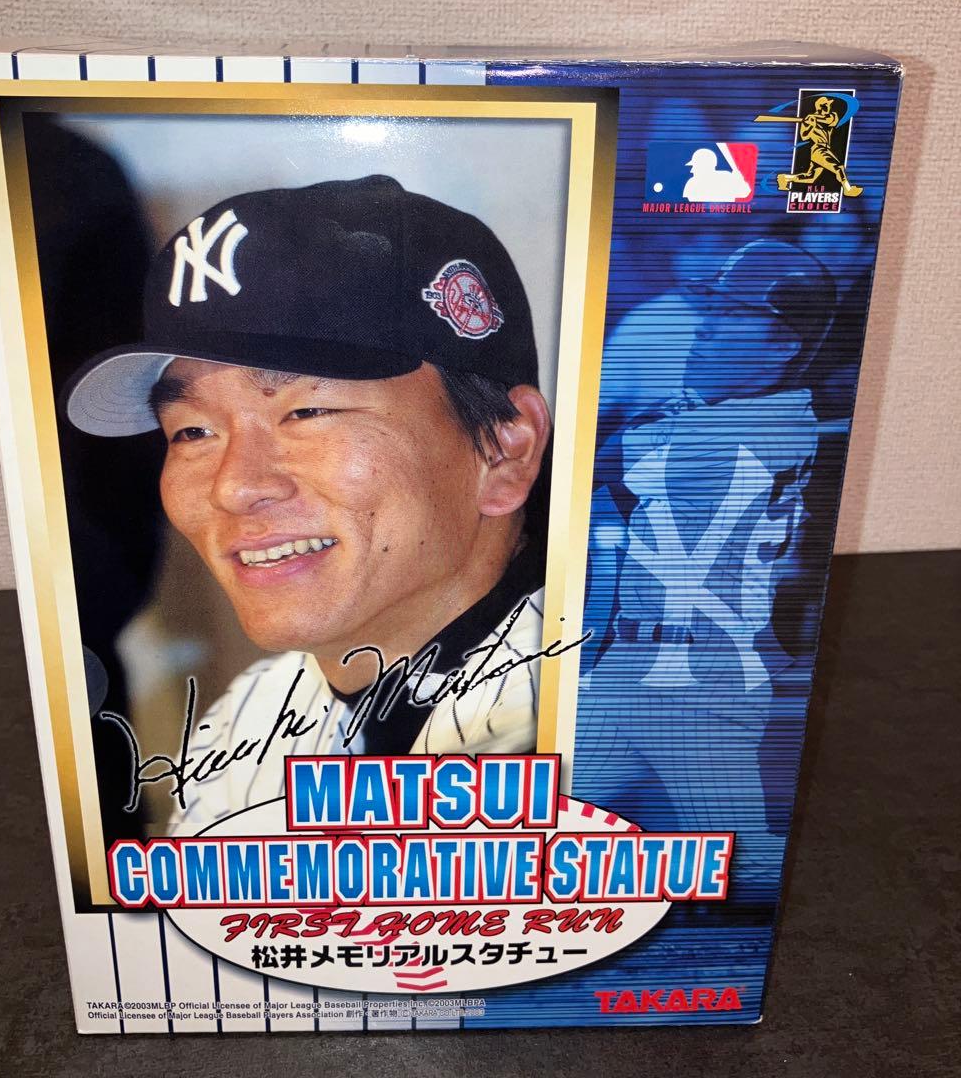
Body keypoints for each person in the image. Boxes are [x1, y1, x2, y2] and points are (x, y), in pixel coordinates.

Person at [64, 175, 554, 832]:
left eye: (307, 412)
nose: (234, 487)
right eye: (193, 432)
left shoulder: (607, 731)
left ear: (505, 448)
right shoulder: (247, 726)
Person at [578, 239, 835, 900]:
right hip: (627, 674)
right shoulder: (773, 415)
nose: (704, 327)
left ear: (783, 345)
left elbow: (593, 470)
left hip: (698, 687)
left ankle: (865, 899)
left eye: (731, 313)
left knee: (748, 868)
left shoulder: (728, 432)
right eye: (710, 307)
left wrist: (664, 419)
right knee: (532, 819)